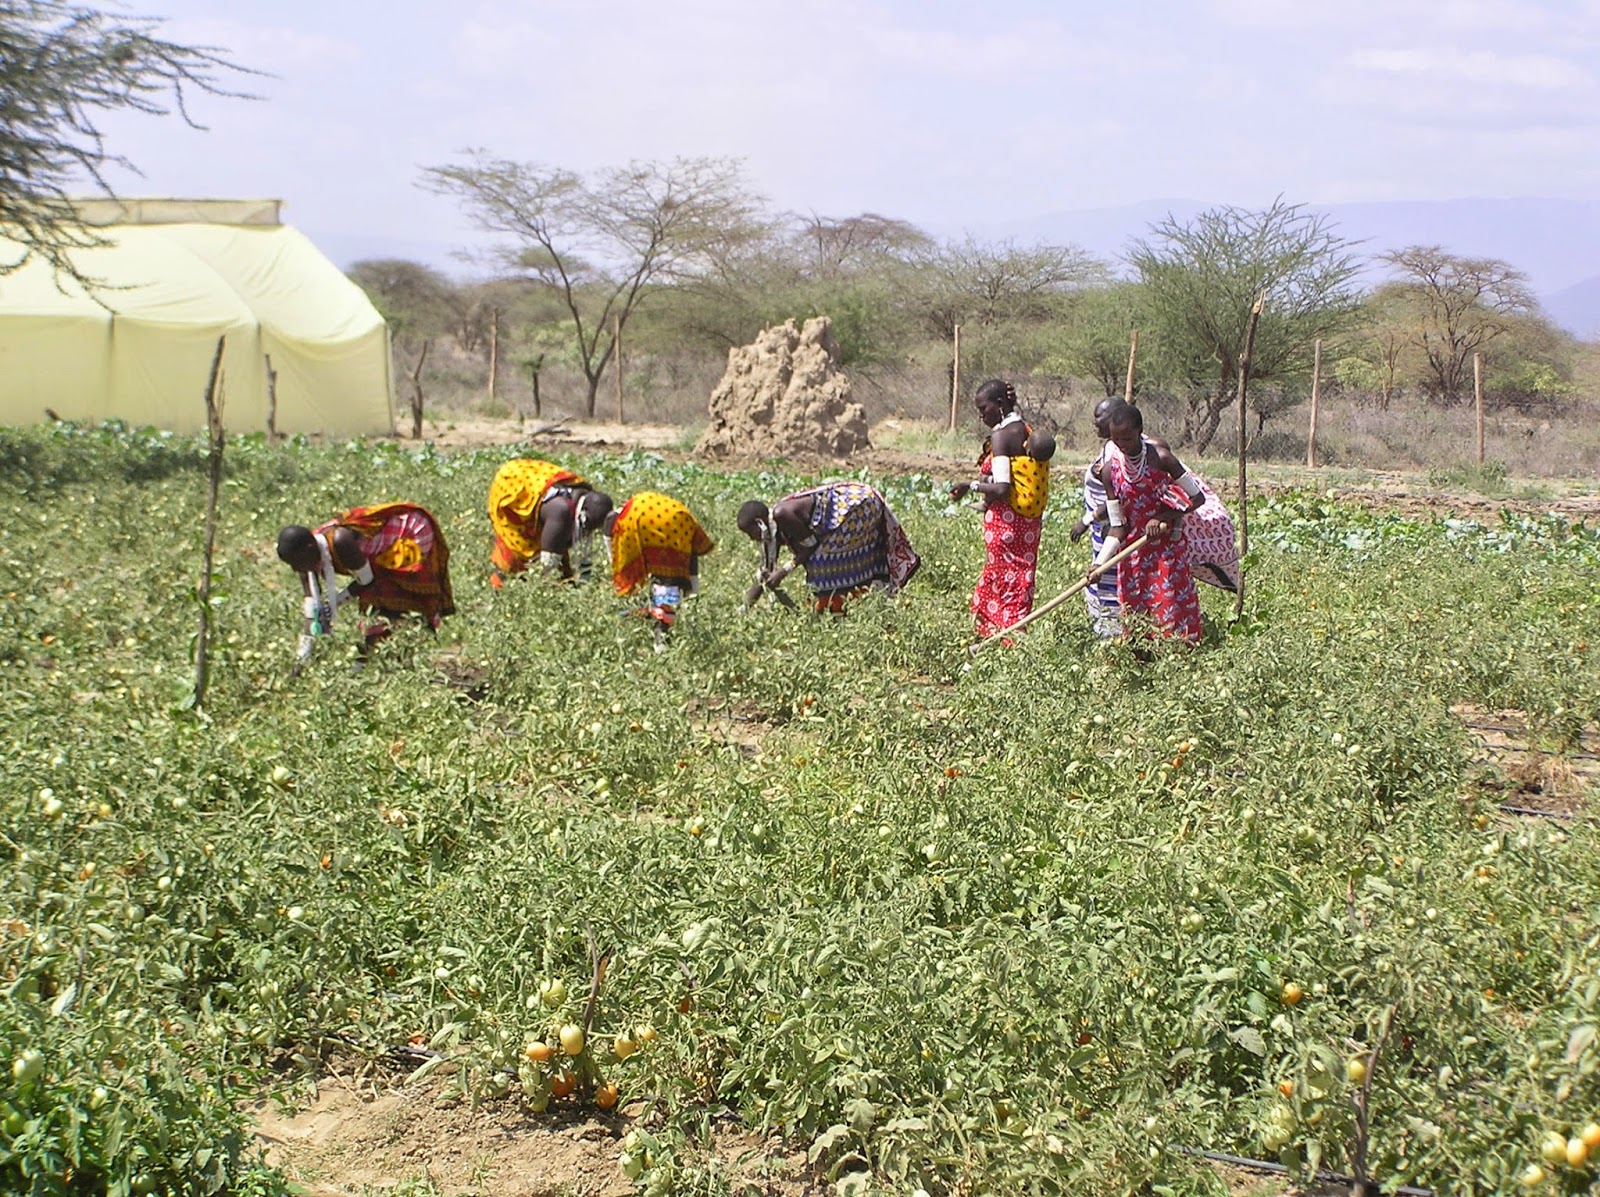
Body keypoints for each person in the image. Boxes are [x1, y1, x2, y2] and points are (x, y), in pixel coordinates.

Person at [1090, 401, 1226, 644]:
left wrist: (1163, 517)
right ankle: (1143, 662)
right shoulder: (1110, 471)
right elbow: (1118, 524)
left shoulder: (1162, 459)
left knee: (1170, 608)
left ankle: (1179, 662)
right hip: (1132, 553)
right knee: (1136, 616)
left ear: (1140, 431)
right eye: (1116, 440)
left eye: (1127, 439)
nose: (1122, 446)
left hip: (1166, 550)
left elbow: (1197, 498)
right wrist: (1100, 564)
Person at [276, 502, 455, 669]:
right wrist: (302, 657)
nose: (295, 569)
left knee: (389, 597)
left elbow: (367, 581)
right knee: (377, 603)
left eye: (295, 563)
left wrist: (335, 602)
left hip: (409, 533)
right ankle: (373, 661)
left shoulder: (340, 541)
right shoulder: (304, 559)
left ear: (309, 548)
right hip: (377, 555)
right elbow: (312, 611)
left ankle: (401, 657)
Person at [950, 378, 1053, 640]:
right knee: (1019, 577)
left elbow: (1001, 488)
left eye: (983, 409)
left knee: (1003, 577)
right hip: (1028, 524)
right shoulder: (1025, 430)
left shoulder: (1000, 436)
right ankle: (1007, 634)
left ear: (999, 404)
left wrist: (967, 485)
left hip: (1006, 525)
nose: (981, 415)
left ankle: (1003, 637)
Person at [736, 481, 920, 614]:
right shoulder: (771, 532)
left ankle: (836, 611)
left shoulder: (782, 515)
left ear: (759, 523)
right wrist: (744, 609)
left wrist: (784, 571)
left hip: (858, 505)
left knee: (821, 562)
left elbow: (810, 548)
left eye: (749, 532)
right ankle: (843, 607)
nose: (751, 538)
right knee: (823, 561)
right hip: (847, 510)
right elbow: (765, 574)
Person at [604, 491, 715, 646]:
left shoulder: (619, 521)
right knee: (667, 585)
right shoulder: (683, 519)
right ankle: (660, 634)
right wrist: (693, 589)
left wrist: (619, 574)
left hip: (646, 519)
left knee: (647, 585)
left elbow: (614, 554)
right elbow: (691, 551)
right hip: (677, 520)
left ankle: (659, 639)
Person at [486, 458, 613, 587]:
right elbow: (548, 564)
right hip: (512, 488)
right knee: (519, 549)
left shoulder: (586, 500)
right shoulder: (560, 512)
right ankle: (498, 584)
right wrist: (547, 588)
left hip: (529, 477)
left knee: (559, 548)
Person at [1069, 398, 1124, 638]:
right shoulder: (1111, 446)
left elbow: (1121, 496)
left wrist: (1088, 519)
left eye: (1099, 418)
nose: (1094, 423)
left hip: (1114, 531)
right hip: (1104, 533)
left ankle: (1112, 640)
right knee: (1102, 583)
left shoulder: (1120, 453)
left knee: (1110, 587)